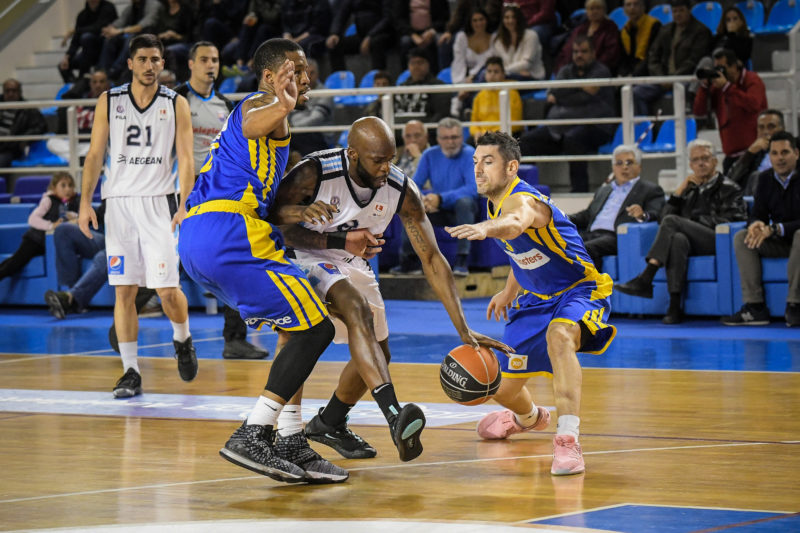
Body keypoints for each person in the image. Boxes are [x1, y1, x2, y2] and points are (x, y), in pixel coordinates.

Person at [178, 38, 427, 483]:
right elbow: (255, 121)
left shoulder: (273, 136)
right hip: (231, 235)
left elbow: (275, 210)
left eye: (306, 72)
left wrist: (318, 222)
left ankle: (292, 440)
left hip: (209, 239)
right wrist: (281, 104)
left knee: (302, 324)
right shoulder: (259, 106)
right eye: (295, 72)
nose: (305, 79)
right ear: (271, 77)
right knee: (315, 326)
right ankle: (254, 431)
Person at [272, 116, 508, 460]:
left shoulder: (400, 188)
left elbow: (432, 258)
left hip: (351, 260)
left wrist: (463, 328)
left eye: (391, 159)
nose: (386, 168)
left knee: (379, 353)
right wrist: (340, 238)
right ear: (353, 154)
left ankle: (330, 422)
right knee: (343, 317)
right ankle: (299, 429)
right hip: (302, 254)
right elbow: (279, 225)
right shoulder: (314, 172)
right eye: (377, 160)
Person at [445, 131, 617, 476]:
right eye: (476, 162)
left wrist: (487, 228)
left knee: (560, 337)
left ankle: (568, 441)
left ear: (512, 167)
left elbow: (515, 225)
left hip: (578, 290)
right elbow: (525, 251)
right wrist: (509, 290)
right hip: (535, 299)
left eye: (488, 161)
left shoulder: (525, 201)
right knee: (498, 386)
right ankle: (529, 418)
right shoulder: (494, 200)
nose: (478, 169)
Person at [79, 34, 197, 398]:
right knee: (124, 291)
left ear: (163, 64)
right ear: (130, 63)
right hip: (119, 204)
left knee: (166, 291)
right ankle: (130, 371)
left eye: (156, 60)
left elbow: (187, 158)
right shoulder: (109, 100)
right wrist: (84, 202)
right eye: (143, 59)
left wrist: (185, 203)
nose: (150, 66)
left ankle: (183, 337)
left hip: (159, 201)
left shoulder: (176, 103)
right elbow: (96, 155)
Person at [174, 41, 269, 360]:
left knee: (231, 257)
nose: (211, 65)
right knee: (166, 261)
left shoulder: (226, 105)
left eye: (215, 59)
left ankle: (234, 338)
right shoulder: (176, 99)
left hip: (218, 191)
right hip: (181, 191)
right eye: (204, 59)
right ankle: (126, 317)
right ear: (191, 64)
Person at [616, 139, 746, 324]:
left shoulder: (729, 187)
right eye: (696, 160)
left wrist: (693, 222)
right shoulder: (689, 189)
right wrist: (678, 192)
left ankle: (646, 277)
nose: (701, 163)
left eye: (705, 158)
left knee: (674, 223)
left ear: (715, 161)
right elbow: (663, 220)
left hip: (717, 240)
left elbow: (736, 219)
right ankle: (675, 306)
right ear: (691, 164)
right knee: (676, 239)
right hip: (690, 240)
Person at [722, 130, 800, 327]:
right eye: (774, 153)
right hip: (781, 242)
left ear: (796, 153)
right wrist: (755, 224)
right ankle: (755, 307)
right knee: (742, 238)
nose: (779, 158)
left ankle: (795, 304)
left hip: (796, 237)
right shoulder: (764, 179)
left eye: (785, 152)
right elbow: (758, 213)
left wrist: (774, 229)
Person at [518, 35, 616, 193]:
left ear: (593, 53)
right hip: (559, 129)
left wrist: (562, 96)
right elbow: (555, 93)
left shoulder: (600, 71)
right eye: (576, 51)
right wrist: (578, 90)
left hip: (595, 127)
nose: (579, 55)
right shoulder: (566, 70)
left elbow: (578, 96)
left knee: (574, 139)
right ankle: (524, 190)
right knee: (525, 141)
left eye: (584, 51)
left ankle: (579, 191)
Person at [392, 118, 477, 276]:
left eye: (455, 137)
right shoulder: (430, 155)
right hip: (438, 208)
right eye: (445, 138)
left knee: (464, 202)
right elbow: (414, 184)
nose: (450, 142)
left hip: (464, 210)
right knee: (411, 204)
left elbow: (473, 189)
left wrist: (441, 198)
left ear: (462, 137)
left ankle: (462, 260)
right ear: (438, 139)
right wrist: (422, 199)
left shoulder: (470, 153)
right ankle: (409, 261)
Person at [569, 144, 665, 270]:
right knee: (560, 245)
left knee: (585, 248)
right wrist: (562, 217)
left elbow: (656, 213)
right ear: (613, 167)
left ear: (639, 167)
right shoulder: (604, 190)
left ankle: (592, 288)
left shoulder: (650, 189)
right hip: (591, 233)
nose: (624, 167)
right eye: (619, 163)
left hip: (615, 236)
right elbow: (588, 215)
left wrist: (642, 215)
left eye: (629, 162)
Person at [692, 48, 767, 174]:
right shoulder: (719, 87)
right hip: (731, 155)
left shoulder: (752, 80)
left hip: (754, 153)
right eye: (716, 68)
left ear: (734, 66)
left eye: (722, 68)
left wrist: (728, 88)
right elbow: (699, 111)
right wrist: (704, 87)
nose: (719, 72)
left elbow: (753, 104)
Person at [634, 0, 711, 116]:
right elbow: (653, 56)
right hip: (663, 78)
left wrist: (674, 78)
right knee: (637, 92)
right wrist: (661, 78)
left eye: (681, 11)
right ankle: (645, 127)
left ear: (689, 11)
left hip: (686, 78)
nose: (678, 14)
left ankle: (682, 128)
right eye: (675, 11)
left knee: (680, 90)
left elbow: (694, 60)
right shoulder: (665, 30)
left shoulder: (701, 31)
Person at [0, 173, 78, 282]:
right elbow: (32, 219)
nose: (68, 189)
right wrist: (51, 225)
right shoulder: (48, 200)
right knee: (15, 263)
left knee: (14, 261)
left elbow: (69, 217)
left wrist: (73, 216)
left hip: (46, 244)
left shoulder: (72, 203)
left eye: (70, 185)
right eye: (63, 185)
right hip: (34, 240)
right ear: (53, 188)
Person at [47, 69, 112, 163]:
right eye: (94, 82)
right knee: (52, 142)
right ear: (90, 84)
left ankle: (78, 159)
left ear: (107, 84)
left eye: (101, 82)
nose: (98, 85)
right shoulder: (82, 101)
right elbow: (66, 99)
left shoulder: (113, 102)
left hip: (97, 144)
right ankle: (79, 159)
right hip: (78, 144)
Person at [393, 48, 452, 139]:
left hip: (425, 134)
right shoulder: (400, 88)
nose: (416, 66)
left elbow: (441, 114)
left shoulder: (437, 86)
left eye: (420, 63)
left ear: (428, 64)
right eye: (413, 63)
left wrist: (423, 131)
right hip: (398, 135)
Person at [98, 0, 161, 82]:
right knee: (110, 39)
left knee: (131, 39)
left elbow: (143, 24)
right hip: (132, 35)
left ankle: (115, 70)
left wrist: (120, 31)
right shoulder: (131, 8)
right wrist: (109, 29)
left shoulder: (153, 4)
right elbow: (121, 21)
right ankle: (103, 71)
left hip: (150, 37)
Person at [325, 0, 395, 72]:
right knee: (334, 45)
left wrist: (370, 36)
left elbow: (388, 18)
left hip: (383, 34)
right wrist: (334, 33)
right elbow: (341, 14)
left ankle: (378, 79)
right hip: (362, 36)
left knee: (376, 42)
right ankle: (341, 79)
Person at [554, 0, 621, 74]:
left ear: (604, 10)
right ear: (587, 12)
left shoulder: (611, 28)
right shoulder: (580, 29)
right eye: (591, 9)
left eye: (598, 8)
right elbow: (567, 51)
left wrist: (589, 67)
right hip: (576, 69)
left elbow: (611, 55)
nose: (594, 11)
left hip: (598, 70)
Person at [58, 0, 118, 83]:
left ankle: (83, 78)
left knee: (87, 38)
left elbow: (99, 28)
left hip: (106, 49)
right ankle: (75, 85)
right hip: (88, 52)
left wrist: (75, 31)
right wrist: (67, 56)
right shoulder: (82, 15)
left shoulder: (108, 8)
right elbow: (76, 40)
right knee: (62, 66)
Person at [450, 8, 494, 117]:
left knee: (485, 73)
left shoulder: (494, 38)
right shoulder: (462, 37)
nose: (478, 23)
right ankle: (461, 100)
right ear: (470, 22)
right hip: (464, 75)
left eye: (481, 19)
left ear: (486, 20)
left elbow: (489, 62)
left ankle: (471, 107)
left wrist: (472, 77)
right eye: (475, 20)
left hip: (484, 75)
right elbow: (458, 62)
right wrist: (462, 85)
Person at [728, 109, 785, 195]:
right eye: (761, 127)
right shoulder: (754, 153)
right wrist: (749, 153)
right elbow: (730, 180)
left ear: (782, 129)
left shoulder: (792, 150)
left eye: (771, 127)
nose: (765, 132)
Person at [468, 56, 522, 144]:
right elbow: (474, 122)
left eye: (496, 71)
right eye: (489, 71)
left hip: (504, 134)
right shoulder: (479, 96)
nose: (492, 74)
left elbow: (516, 122)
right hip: (484, 135)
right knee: (469, 143)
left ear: (503, 74)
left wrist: (495, 133)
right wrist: (476, 132)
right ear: (485, 74)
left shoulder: (512, 93)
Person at [0, 79, 47, 174]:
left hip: (10, 149)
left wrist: (25, 138)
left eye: (14, 91)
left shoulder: (27, 109)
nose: (10, 94)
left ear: (20, 92)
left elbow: (42, 126)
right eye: (7, 91)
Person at [287, 58, 333, 157]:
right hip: (296, 133)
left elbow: (316, 118)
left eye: (312, 73)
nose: (309, 77)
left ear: (318, 74)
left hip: (318, 135)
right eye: (306, 73)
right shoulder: (294, 91)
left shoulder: (326, 93)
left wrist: (293, 128)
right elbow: (287, 113)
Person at [490, 3, 545, 81]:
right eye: (507, 17)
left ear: (519, 19)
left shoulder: (531, 36)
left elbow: (526, 63)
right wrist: (503, 72)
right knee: (486, 75)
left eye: (513, 17)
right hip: (507, 75)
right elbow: (497, 62)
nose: (510, 20)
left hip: (531, 76)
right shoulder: (498, 39)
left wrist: (503, 71)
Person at [396, 0, 450, 71]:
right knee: (405, 41)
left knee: (442, 40)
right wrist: (413, 35)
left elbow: (445, 17)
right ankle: (406, 74)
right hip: (410, 32)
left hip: (434, 30)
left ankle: (442, 74)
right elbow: (399, 19)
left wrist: (432, 31)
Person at [617, 0, 661, 77]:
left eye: (636, 4)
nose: (632, 8)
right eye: (628, 5)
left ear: (643, 7)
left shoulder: (654, 25)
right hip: (630, 74)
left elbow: (652, 55)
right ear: (624, 10)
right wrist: (622, 74)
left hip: (648, 72)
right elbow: (623, 59)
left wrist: (633, 75)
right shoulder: (624, 30)